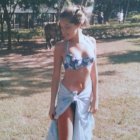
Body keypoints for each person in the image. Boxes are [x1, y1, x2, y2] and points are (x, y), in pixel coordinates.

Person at [46, 5, 99, 140]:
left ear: (79, 24)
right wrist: (52, 105)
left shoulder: (91, 42)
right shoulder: (60, 47)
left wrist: (96, 98)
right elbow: (56, 77)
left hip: (85, 97)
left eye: (67, 27)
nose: (63, 31)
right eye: (61, 27)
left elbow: (94, 74)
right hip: (66, 96)